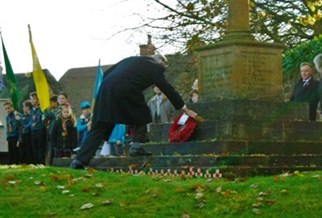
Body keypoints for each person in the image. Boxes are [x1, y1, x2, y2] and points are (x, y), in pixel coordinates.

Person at [69, 53, 199, 169]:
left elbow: (108, 73)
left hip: (105, 90)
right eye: (164, 67)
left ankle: (79, 161)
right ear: (159, 62)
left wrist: (111, 88)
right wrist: (185, 109)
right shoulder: (155, 66)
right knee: (143, 114)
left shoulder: (131, 59)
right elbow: (167, 88)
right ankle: (136, 146)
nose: (163, 71)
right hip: (126, 89)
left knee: (99, 127)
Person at [29, 92, 46, 165]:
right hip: (33, 131)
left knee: (40, 148)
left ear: (38, 99)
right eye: (31, 99)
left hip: (40, 130)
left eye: (33, 99)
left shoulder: (42, 109)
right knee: (34, 147)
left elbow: (43, 120)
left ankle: (41, 163)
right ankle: (35, 163)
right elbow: (31, 120)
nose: (32, 101)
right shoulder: (32, 110)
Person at [44, 95, 59, 165]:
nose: (50, 104)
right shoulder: (52, 111)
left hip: (56, 133)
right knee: (49, 150)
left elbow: (51, 115)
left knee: (54, 149)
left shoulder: (58, 110)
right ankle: (49, 163)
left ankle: (54, 163)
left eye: (51, 103)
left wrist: (47, 109)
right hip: (50, 133)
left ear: (56, 102)